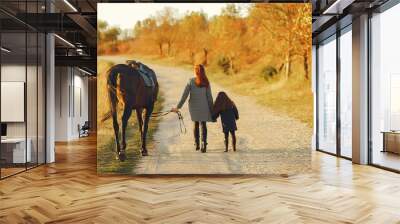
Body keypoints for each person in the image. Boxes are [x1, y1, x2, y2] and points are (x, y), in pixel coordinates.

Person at [171, 64, 213, 153]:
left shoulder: (190, 81)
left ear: (196, 71)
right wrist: (212, 108)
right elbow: (209, 97)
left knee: (196, 123)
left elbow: (184, 96)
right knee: (203, 124)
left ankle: (197, 144)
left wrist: (178, 107)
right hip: (204, 106)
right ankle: (203, 144)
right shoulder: (206, 82)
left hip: (194, 106)